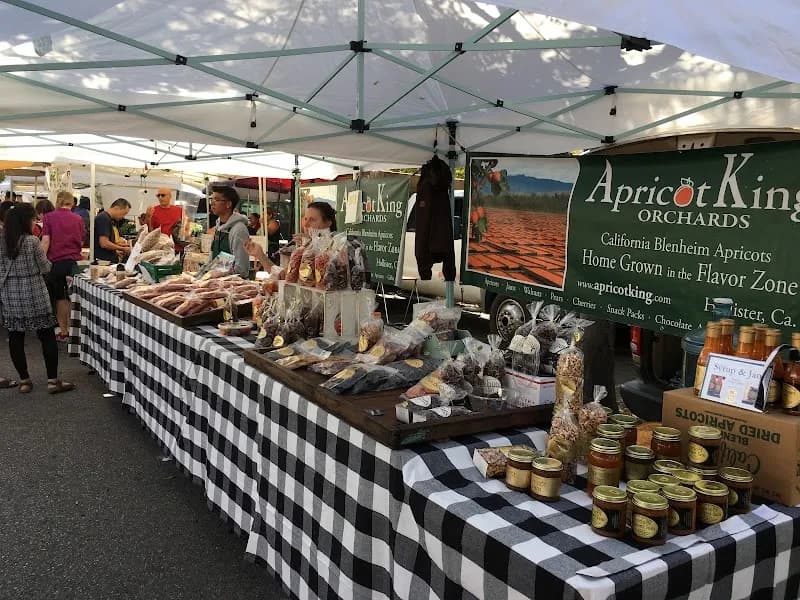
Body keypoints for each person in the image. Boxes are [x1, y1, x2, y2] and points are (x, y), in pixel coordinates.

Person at [0, 203, 74, 394]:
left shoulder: (2, 240)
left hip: (11, 293)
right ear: (26, 221)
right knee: (46, 335)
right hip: (34, 291)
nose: (35, 222)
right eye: (33, 219)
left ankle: (24, 380)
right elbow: (45, 267)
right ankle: (52, 381)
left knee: (16, 336)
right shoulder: (32, 241)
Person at [41, 191, 85, 343]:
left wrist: (40, 262)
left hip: (56, 263)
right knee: (73, 295)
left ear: (58, 201)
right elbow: (81, 241)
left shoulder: (49, 217)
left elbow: (45, 242)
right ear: (71, 203)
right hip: (73, 263)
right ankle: (74, 330)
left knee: (61, 298)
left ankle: (64, 331)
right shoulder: (78, 218)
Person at [209, 186, 250, 277]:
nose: (212, 203)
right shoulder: (218, 226)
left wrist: (221, 273)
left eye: (216, 199)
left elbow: (242, 269)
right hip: (216, 284)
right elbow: (212, 258)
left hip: (233, 286)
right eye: (211, 199)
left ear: (228, 204)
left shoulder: (239, 230)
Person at [94, 198, 132, 263]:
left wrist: (117, 248)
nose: (123, 216)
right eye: (124, 213)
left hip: (108, 259)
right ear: (117, 208)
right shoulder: (104, 218)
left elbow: (109, 241)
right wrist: (122, 248)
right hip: (103, 261)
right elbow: (104, 243)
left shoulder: (110, 220)